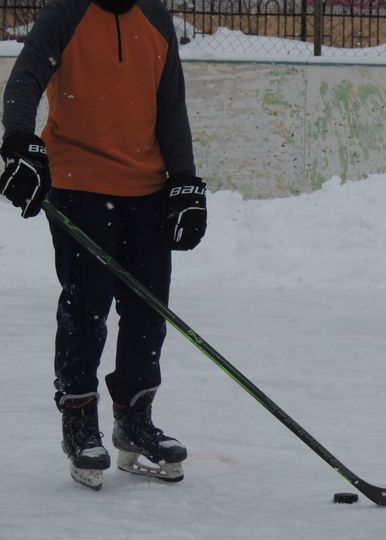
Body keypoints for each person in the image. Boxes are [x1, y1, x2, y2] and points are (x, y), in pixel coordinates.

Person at [0, 0, 207, 490]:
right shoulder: (65, 15)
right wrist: (19, 142)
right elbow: (25, 79)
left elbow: (170, 103)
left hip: (148, 192)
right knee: (86, 307)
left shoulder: (155, 21)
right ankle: (79, 422)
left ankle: (135, 418)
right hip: (79, 185)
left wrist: (184, 181)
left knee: (147, 311)